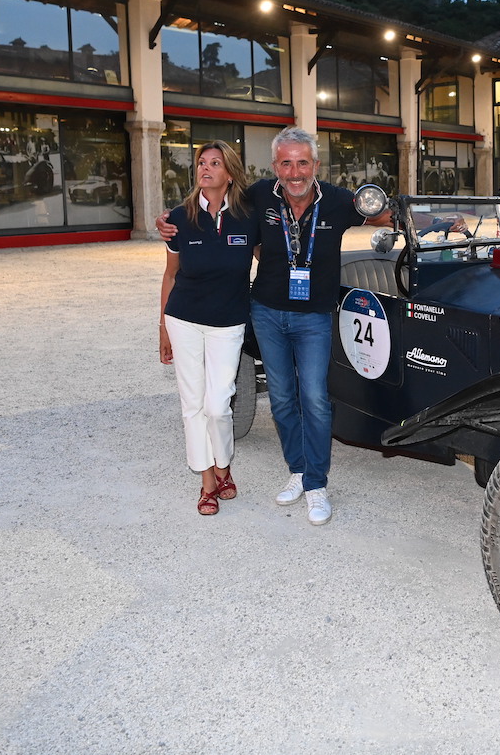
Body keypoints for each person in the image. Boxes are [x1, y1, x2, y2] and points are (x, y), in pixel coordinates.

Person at [157, 126, 389, 526]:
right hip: (265, 312)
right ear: (275, 166)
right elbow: (212, 203)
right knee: (281, 398)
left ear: (315, 164)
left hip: (314, 315)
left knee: (314, 398)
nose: (295, 171)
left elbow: (383, 212)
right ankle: (297, 472)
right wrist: (168, 221)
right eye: (286, 162)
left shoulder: (337, 201)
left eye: (302, 162)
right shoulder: (258, 197)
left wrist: (439, 222)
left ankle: (316, 485)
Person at [159, 140, 256, 515]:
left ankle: (224, 465)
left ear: (229, 173)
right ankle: (207, 483)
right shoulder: (180, 219)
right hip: (183, 318)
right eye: (202, 162)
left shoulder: (249, 216)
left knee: (218, 406)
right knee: (192, 404)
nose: (206, 168)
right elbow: (170, 276)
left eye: (215, 163)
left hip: (228, 323)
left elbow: (270, 258)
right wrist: (162, 327)